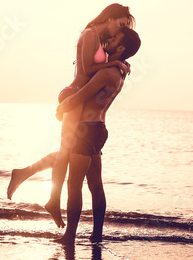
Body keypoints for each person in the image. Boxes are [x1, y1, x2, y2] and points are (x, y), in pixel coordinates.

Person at [7, 4, 134, 228]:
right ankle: (49, 197)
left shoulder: (101, 39)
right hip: (74, 95)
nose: (120, 30)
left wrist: (118, 61)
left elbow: (98, 70)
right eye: (121, 24)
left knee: (68, 154)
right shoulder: (89, 33)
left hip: (81, 101)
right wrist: (114, 62)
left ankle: (32, 181)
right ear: (110, 17)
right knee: (67, 154)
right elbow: (85, 70)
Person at [54, 26, 141, 244]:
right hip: (98, 129)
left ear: (121, 48)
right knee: (95, 185)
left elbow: (80, 96)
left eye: (114, 40)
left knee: (73, 184)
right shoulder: (119, 72)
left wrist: (61, 108)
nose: (108, 41)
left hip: (85, 130)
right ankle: (96, 235)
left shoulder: (106, 73)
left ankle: (69, 237)